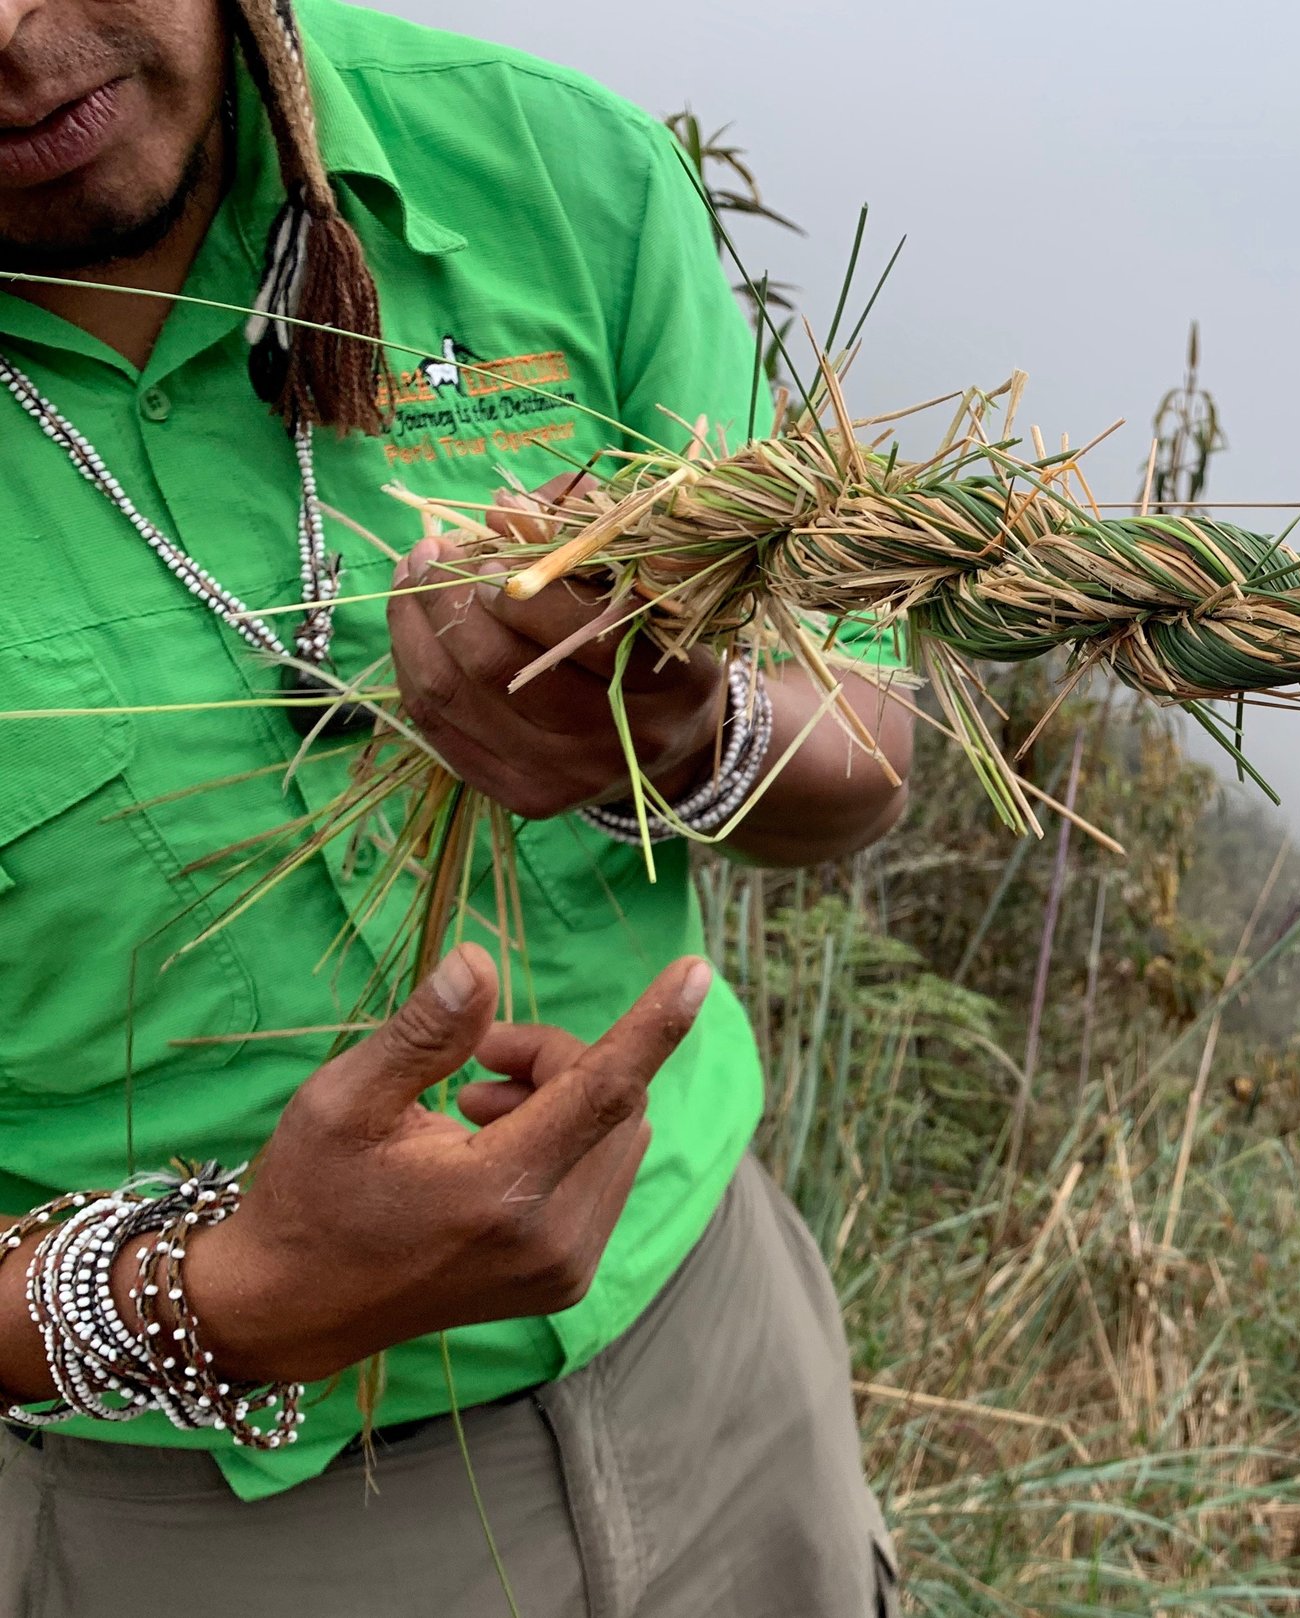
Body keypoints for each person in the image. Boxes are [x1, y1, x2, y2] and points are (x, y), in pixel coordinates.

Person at [0, 1, 914, 1612]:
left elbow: (867, 736)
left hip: (723, 1384)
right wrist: (213, 1294)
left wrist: (684, 730)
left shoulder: (560, 179)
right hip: (188, 1532)